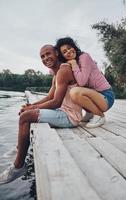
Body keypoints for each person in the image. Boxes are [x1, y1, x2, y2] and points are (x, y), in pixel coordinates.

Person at [0, 44, 82, 184]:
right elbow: (50, 97)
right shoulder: (56, 74)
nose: (46, 58)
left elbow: (56, 102)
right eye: (42, 57)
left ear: (56, 53)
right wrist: (31, 106)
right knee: (27, 113)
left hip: (70, 116)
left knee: (25, 118)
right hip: (62, 112)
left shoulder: (64, 70)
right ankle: (20, 149)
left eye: (48, 54)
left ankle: (19, 166)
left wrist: (30, 111)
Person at [55, 37, 115, 128]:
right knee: (73, 88)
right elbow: (53, 72)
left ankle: (100, 116)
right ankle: (90, 113)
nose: (68, 51)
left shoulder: (84, 57)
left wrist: (74, 64)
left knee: (75, 92)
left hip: (106, 96)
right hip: (95, 96)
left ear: (74, 47)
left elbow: (82, 82)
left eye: (69, 47)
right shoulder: (70, 63)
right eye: (64, 52)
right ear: (62, 56)